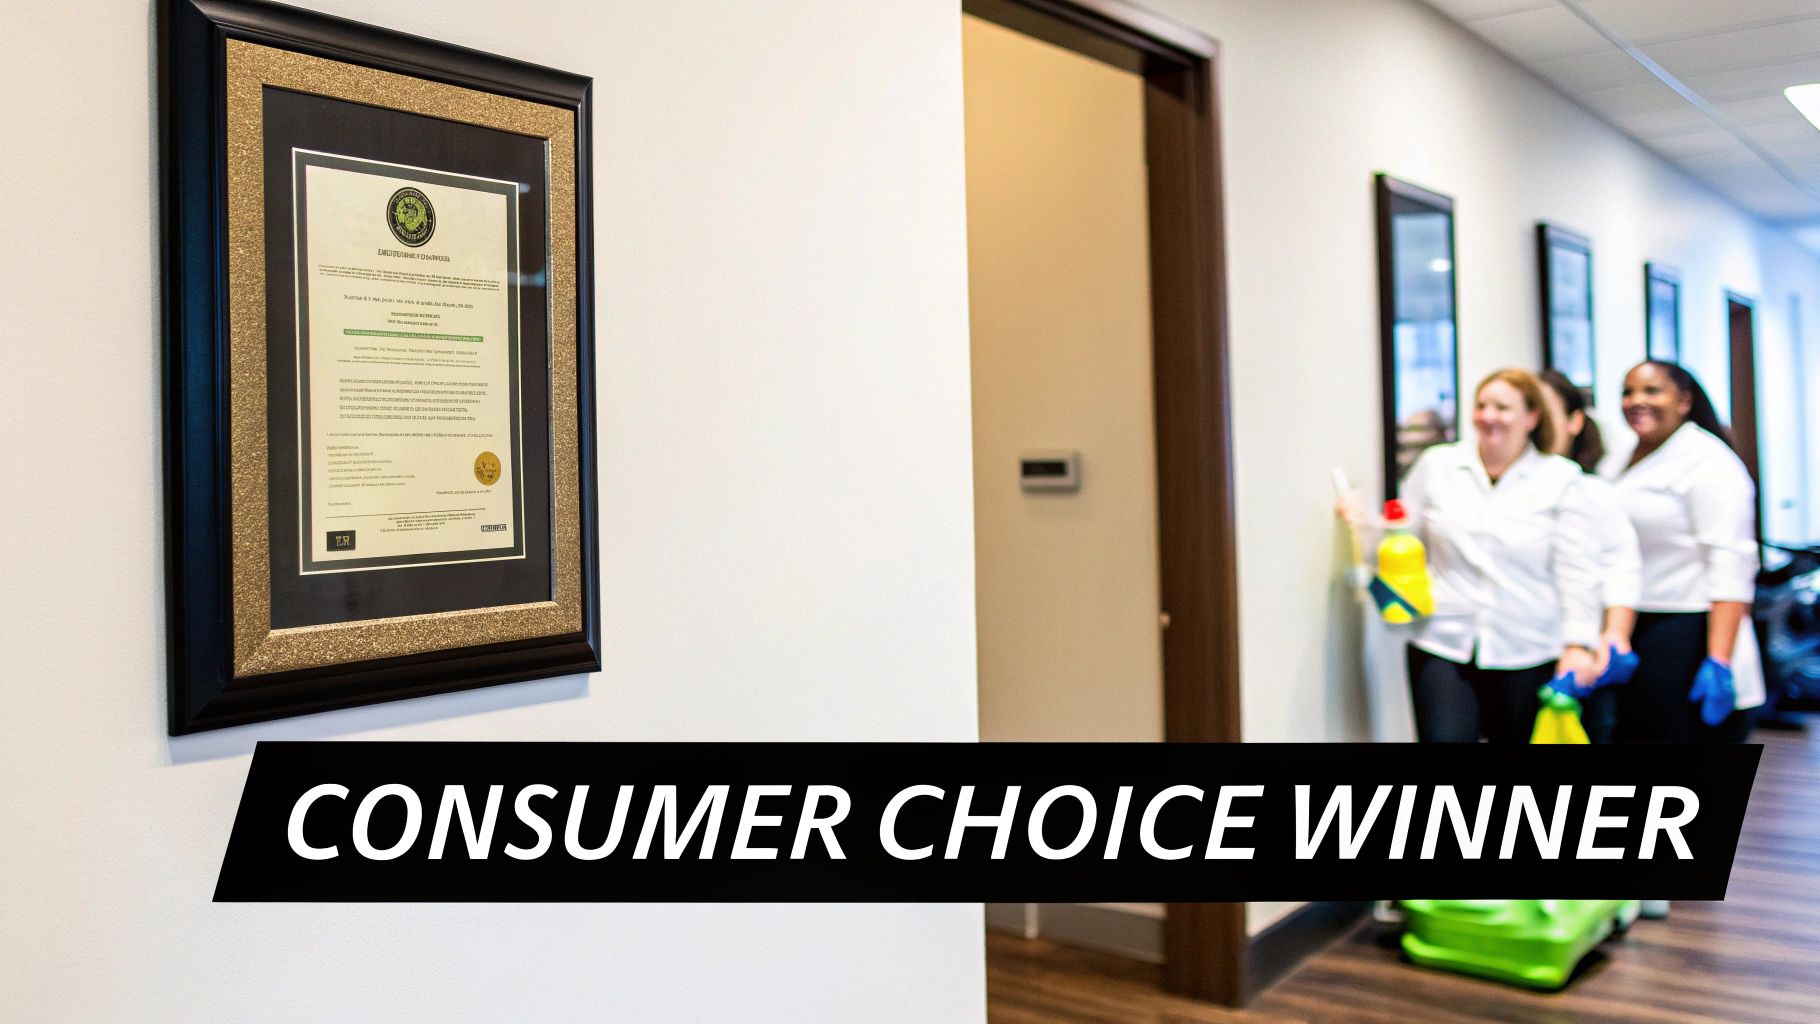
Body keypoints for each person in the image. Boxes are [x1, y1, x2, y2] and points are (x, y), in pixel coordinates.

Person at [1342, 369, 1602, 742]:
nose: (1488, 416)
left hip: (1528, 646)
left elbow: (1577, 570)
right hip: (1443, 640)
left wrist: (1579, 645)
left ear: (1532, 417)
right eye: (1481, 406)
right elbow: (1401, 540)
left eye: (1502, 407)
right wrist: (1360, 522)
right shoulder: (1438, 466)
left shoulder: (1561, 479)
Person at [1608, 361, 1763, 744]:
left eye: (1652, 390)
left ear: (1684, 401)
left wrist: (1719, 660)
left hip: (1688, 628)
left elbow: (1731, 563)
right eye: (1628, 392)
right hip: (1634, 623)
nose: (1636, 401)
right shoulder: (1621, 458)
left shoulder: (1710, 463)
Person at [1537, 370, 1640, 744]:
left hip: (1582, 661)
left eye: (1544, 414)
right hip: (1521, 652)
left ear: (1575, 422)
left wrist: (1612, 636)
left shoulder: (1593, 492)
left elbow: (1621, 568)